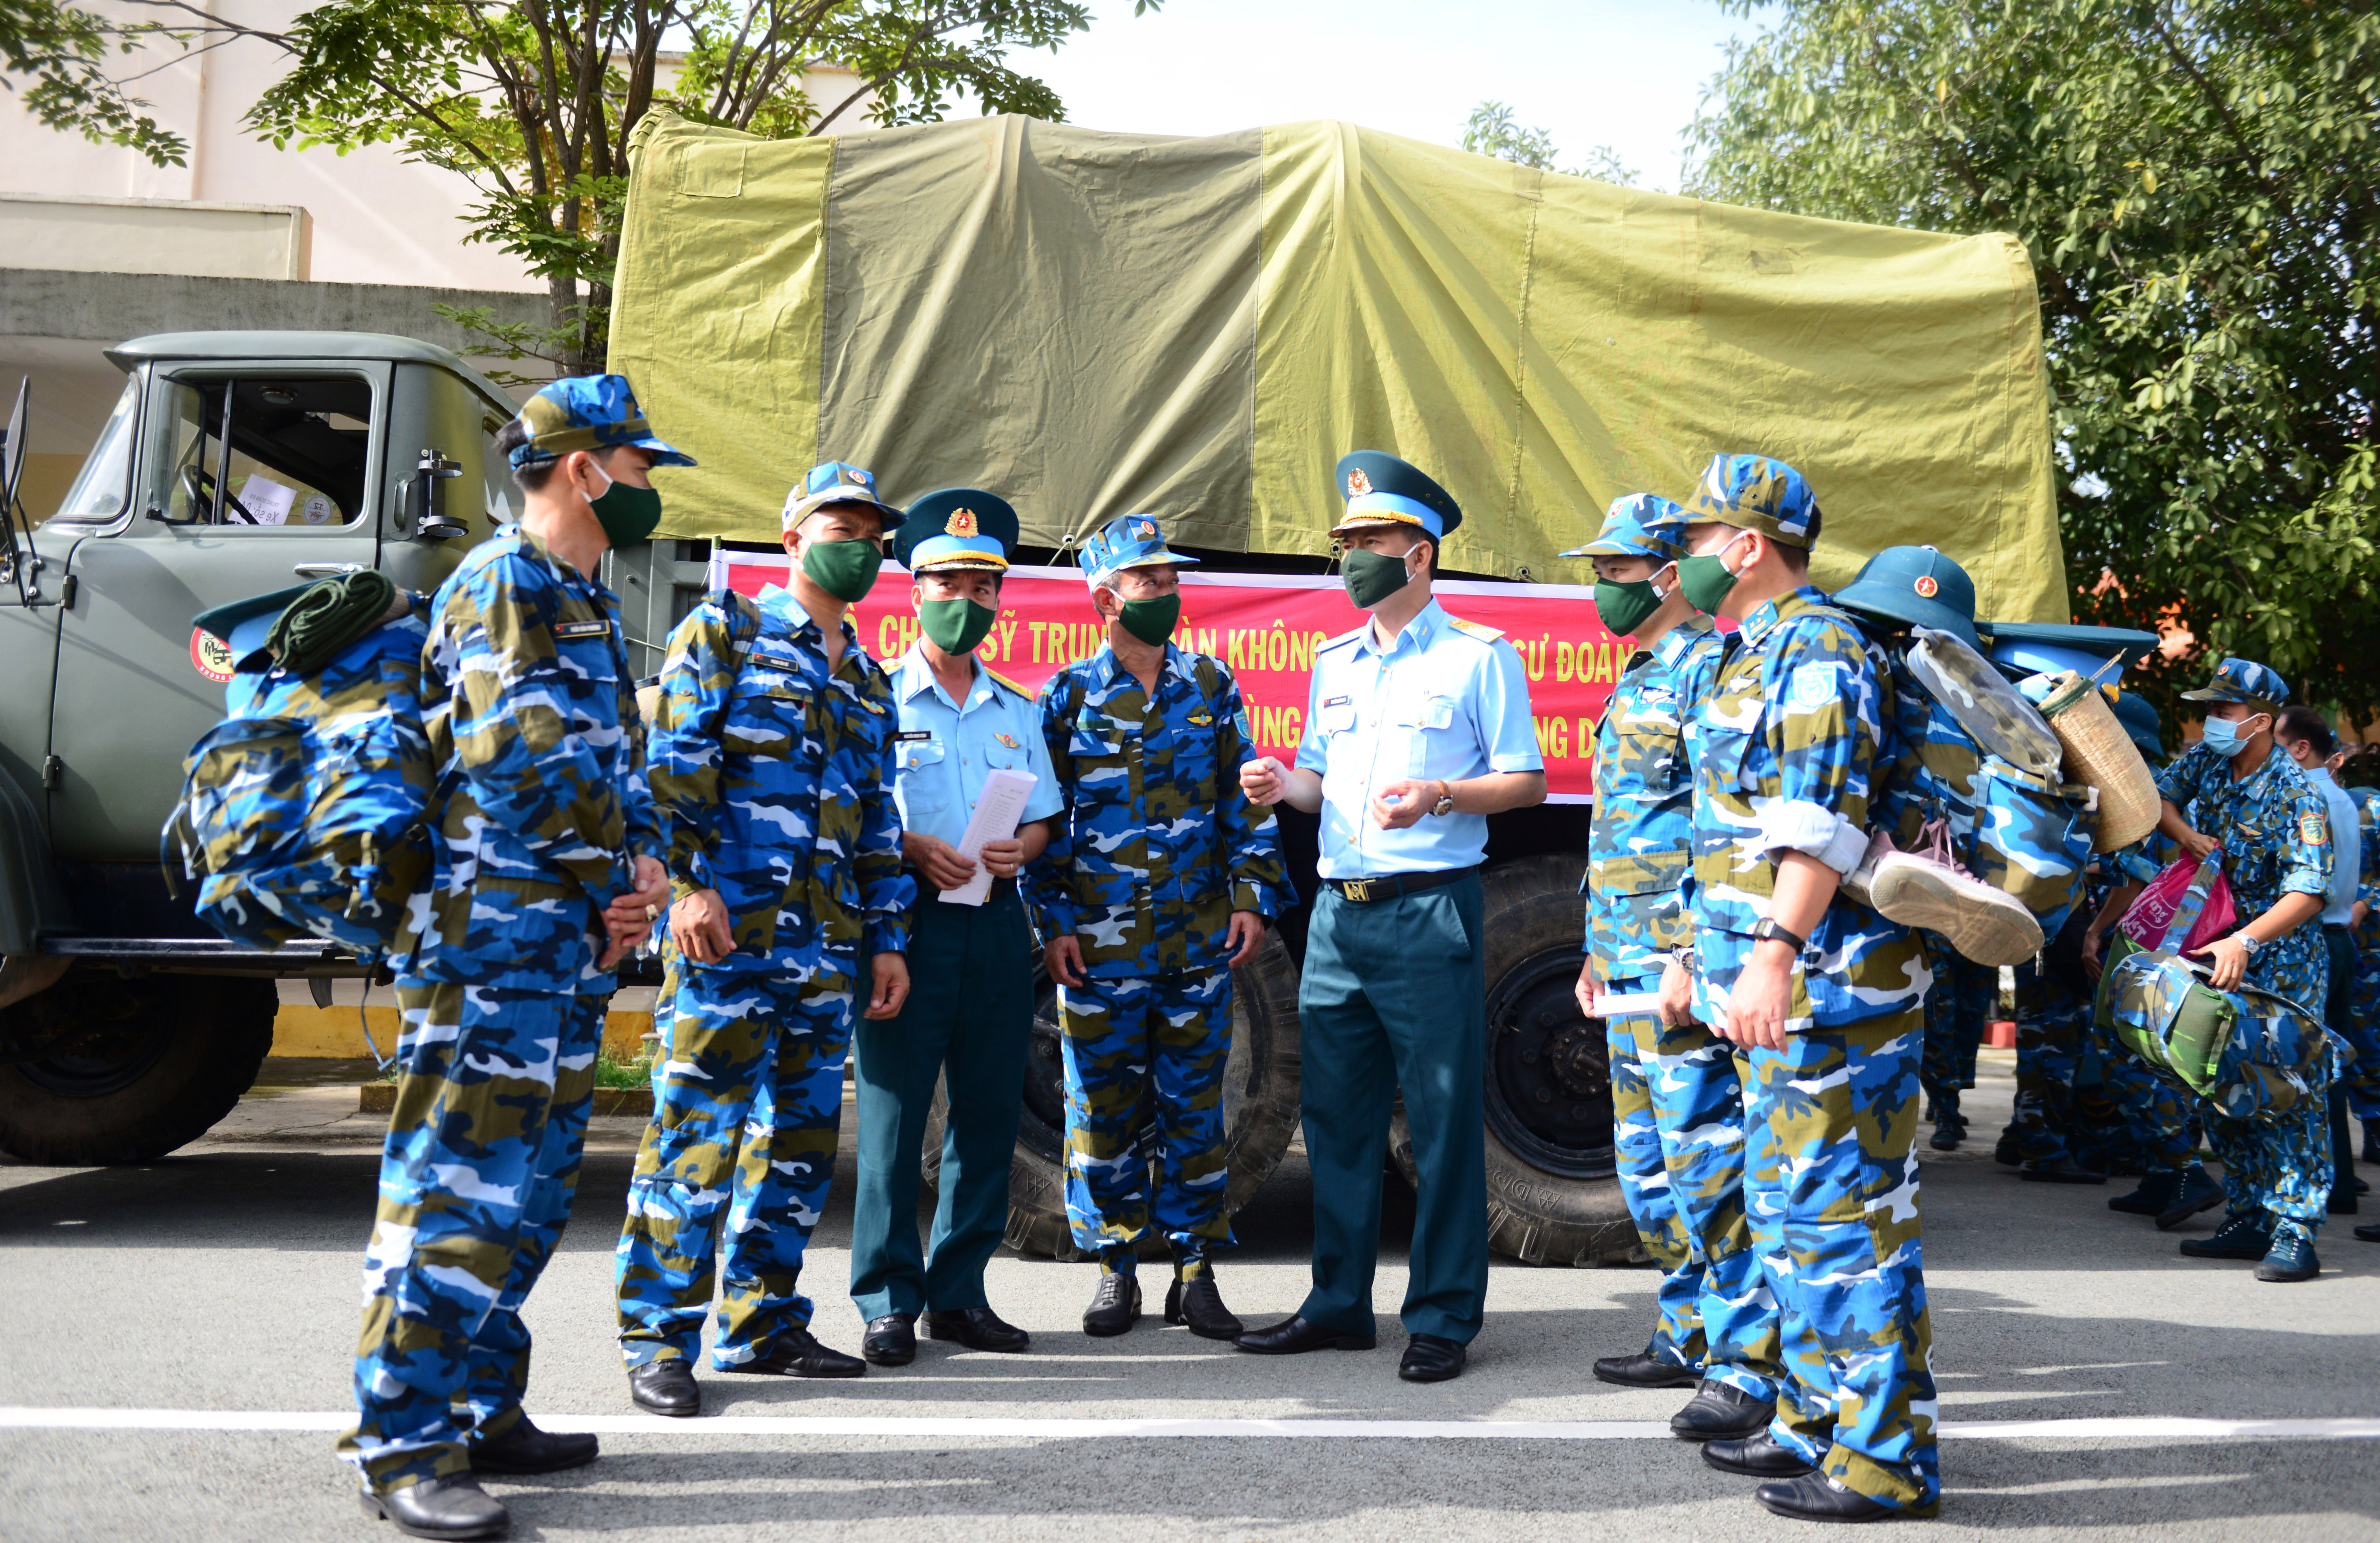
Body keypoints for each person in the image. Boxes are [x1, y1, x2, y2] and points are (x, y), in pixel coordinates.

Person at [339, 375, 679, 1540]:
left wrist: (637, 878)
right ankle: (403, 1448)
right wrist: (615, 881)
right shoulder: (500, 584)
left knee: (527, 1195)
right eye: (638, 467)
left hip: (561, 947)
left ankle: (487, 1409)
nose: (648, 489)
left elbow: (612, 766)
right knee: (452, 1191)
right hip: (488, 943)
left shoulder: (580, 596)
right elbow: (513, 760)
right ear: (581, 467)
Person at [1657, 454, 1939, 1522]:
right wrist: (1701, 956)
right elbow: (1727, 833)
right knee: (1785, 1223)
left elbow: (1820, 825)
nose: (1679, 562)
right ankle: (1813, 1425)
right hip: (1767, 988)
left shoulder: (1821, 648)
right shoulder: (1748, 656)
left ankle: (1886, 1464)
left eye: (1693, 542)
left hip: (1832, 996)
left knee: (1849, 1228)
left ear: (1748, 547)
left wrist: (1772, 953)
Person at [1236, 450, 1545, 1384]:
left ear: (1417, 556)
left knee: (1444, 1122)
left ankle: (1443, 1315)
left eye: (1367, 541)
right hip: (1339, 915)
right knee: (1334, 1118)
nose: (1349, 558)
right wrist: (1276, 783)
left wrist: (1444, 794)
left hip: (1426, 911)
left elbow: (1525, 780)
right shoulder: (1333, 662)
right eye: (1344, 542)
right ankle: (1337, 1303)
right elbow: (1314, 781)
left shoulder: (1477, 657)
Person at [614, 461, 916, 1416]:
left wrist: (887, 939)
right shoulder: (728, 632)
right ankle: (659, 1337)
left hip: (827, 955)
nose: (861, 544)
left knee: (793, 1148)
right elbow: (672, 772)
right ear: (792, 540)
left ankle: (759, 1322)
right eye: (842, 526)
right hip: (725, 945)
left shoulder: (869, 678)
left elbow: (875, 822)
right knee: (694, 1142)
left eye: (873, 533)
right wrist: (688, 888)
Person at [1025, 512, 1291, 1337]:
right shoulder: (1066, 695)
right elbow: (1044, 820)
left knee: (1192, 1110)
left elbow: (1236, 803)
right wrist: (1054, 920)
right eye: (1149, 581)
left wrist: (1249, 895)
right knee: (1100, 1111)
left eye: (1171, 578)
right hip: (1099, 948)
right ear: (1105, 596)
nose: (1167, 592)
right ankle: (1113, 1267)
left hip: (1193, 941)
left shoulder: (1209, 685)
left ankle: (1194, 1268)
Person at [848, 489, 1062, 1363]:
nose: (965, 601)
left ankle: (959, 1292)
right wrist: (908, 846)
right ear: (912, 588)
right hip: (906, 927)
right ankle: (888, 1300)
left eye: (983, 588)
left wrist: (1024, 847)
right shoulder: (874, 692)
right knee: (895, 1124)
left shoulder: (1017, 706)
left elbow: (1046, 813)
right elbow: (850, 808)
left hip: (996, 926)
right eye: (948, 582)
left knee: (984, 1119)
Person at [1560, 493, 1764, 1409]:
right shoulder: (1638, 673)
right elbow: (1620, 828)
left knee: (1705, 1166)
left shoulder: (1705, 673)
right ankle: (1684, 1334)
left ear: (1668, 577)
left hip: (1677, 968)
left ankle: (1743, 1362)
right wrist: (1594, 947)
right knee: (1647, 1173)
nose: (1599, 588)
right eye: (1596, 571)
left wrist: (1688, 949)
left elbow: (1715, 827)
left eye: (1615, 571)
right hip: (1622, 964)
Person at [2152, 658, 2336, 1282]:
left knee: (2288, 1091)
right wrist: (2190, 836)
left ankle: (2295, 1229)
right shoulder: (2212, 763)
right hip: (2214, 949)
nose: (2210, 721)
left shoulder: (2296, 791)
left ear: (2261, 722)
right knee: (2221, 1079)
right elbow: (2162, 798)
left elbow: (2309, 892)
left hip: (2278, 962)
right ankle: (2250, 1213)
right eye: (2208, 709)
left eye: (2223, 711)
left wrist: (2246, 943)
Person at [1829, 547, 2001, 1161]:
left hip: (1871, 919)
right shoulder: (1945, 698)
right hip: (1906, 912)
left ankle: (1947, 1107)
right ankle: (1941, 1109)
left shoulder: (1850, 671)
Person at [2275, 705, 2364, 1220]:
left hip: (2308, 941)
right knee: (2326, 1067)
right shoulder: (2343, 799)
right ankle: (2341, 1184)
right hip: (2336, 938)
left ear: (2300, 748)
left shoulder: (2304, 797)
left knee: (2306, 1067)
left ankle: (2317, 1185)